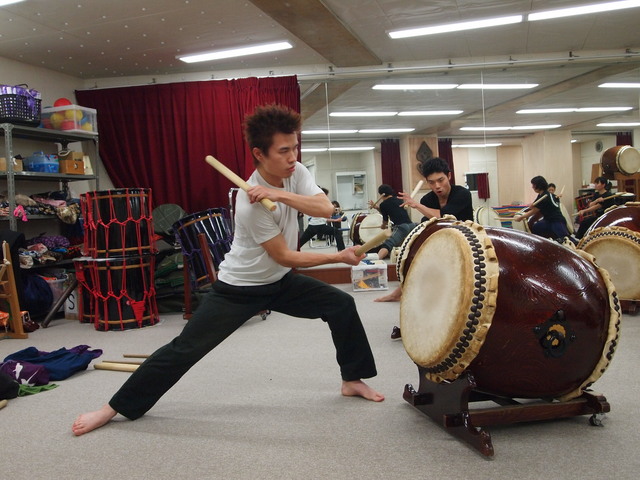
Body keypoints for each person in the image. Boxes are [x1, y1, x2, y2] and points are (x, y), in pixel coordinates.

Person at [72, 104, 384, 436]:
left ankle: (352, 379)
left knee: (341, 305)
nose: (293, 157)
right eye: (283, 151)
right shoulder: (248, 205)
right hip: (238, 289)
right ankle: (112, 408)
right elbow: (285, 256)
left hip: (277, 283)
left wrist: (279, 193)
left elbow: (325, 208)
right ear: (259, 155)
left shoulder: (295, 173)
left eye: (294, 148)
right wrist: (338, 257)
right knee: (185, 349)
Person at [374, 157, 473, 340]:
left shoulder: (462, 194)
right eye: (432, 182)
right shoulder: (428, 199)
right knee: (416, 271)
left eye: (441, 180)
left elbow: (445, 217)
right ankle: (408, 316)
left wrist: (416, 205)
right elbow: (426, 226)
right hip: (441, 246)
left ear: (449, 176)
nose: (437, 186)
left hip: (466, 246)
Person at [514, 175, 572, 241]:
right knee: (536, 228)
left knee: (566, 239)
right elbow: (534, 205)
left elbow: (534, 211)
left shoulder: (545, 196)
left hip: (556, 220)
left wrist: (521, 217)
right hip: (547, 220)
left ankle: (577, 246)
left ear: (538, 185)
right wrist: (531, 205)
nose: (532, 187)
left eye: (533, 185)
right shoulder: (541, 195)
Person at [367, 184, 416, 260]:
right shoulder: (398, 200)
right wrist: (377, 207)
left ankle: (376, 261)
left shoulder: (384, 204)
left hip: (401, 227)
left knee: (388, 244)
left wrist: (383, 226)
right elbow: (389, 211)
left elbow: (385, 220)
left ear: (382, 194)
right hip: (411, 225)